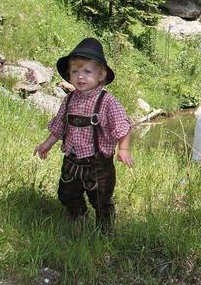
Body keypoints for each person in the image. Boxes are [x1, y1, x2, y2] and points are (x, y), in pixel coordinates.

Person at [34, 38, 134, 233]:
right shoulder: (69, 99)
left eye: (87, 71)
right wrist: (47, 144)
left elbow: (123, 126)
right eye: (75, 71)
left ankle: (105, 229)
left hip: (98, 164)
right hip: (72, 160)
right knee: (66, 193)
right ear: (69, 75)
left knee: (100, 199)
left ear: (101, 75)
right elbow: (60, 126)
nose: (80, 76)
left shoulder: (108, 102)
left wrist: (123, 149)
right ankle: (78, 216)